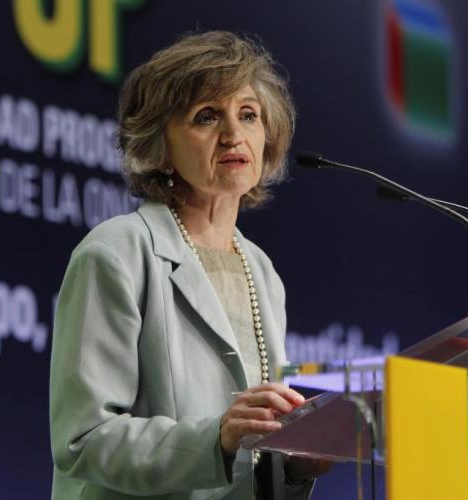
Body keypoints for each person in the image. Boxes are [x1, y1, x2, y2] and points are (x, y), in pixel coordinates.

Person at [50, 31, 327, 500]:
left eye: (248, 115)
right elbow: (83, 440)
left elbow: (248, 452)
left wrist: (296, 465)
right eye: (207, 116)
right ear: (159, 147)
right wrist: (214, 440)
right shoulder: (116, 253)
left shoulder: (261, 271)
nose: (234, 135)